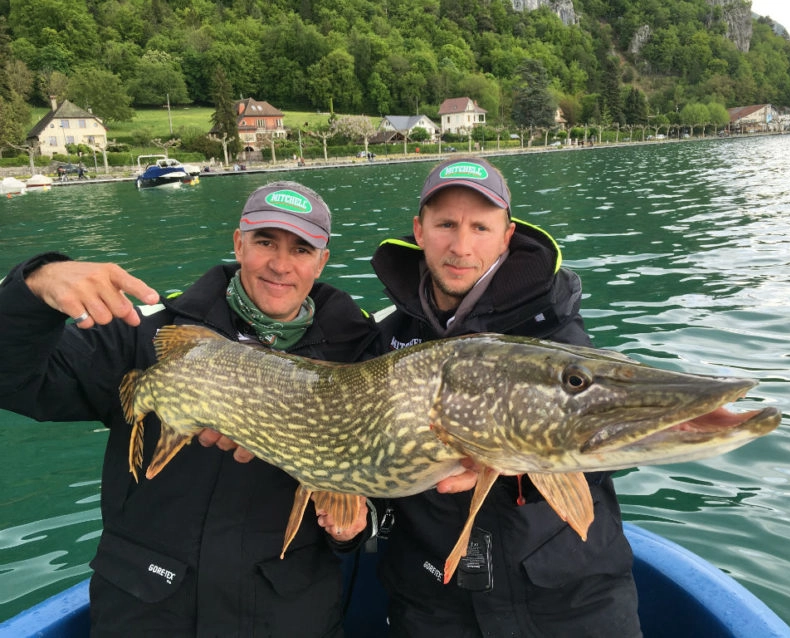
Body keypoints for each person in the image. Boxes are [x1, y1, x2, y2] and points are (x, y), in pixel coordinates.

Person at [0, 181, 378, 637]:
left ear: (322, 261)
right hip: (148, 613)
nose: (280, 265)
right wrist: (35, 286)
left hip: (285, 618)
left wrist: (350, 530)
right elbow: (13, 380)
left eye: (301, 249)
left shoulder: (359, 360)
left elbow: (372, 493)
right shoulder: (143, 335)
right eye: (264, 242)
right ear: (239, 244)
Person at [370, 158, 642, 637]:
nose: (461, 246)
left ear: (506, 235)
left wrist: (528, 463)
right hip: (435, 600)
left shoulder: (553, 331)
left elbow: (607, 442)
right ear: (419, 230)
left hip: (570, 595)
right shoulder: (386, 339)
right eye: (446, 225)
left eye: (480, 227)